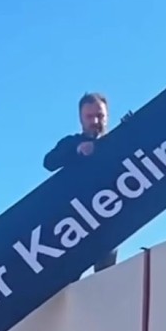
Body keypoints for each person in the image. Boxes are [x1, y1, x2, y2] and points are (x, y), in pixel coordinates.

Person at [43, 91, 123, 272]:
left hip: (108, 220)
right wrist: (77, 150)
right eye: (89, 116)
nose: (95, 121)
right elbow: (49, 162)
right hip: (75, 223)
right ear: (81, 118)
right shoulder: (70, 143)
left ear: (107, 116)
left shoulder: (116, 143)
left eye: (100, 116)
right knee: (67, 277)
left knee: (106, 276)